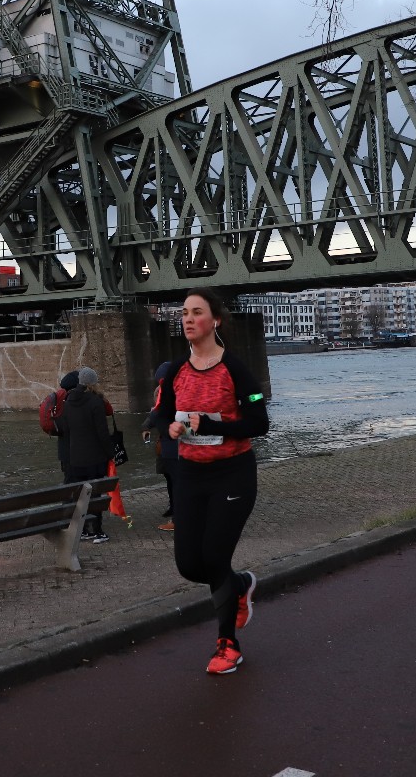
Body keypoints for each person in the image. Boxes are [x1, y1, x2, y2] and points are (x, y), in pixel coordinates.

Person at [150, 288, 269, 674]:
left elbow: (259, 423)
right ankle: (240, 585)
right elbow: (162, 413)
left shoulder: (235, 369)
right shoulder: (175, 371)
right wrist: (169, 427)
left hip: (232, 475)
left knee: (215, 557)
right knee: (189, 564)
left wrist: (213, 425)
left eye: (196, 312)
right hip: (190, 475)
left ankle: (227, 644)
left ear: (215, 320)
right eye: (184, 312)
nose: (188, 318)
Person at [58, 367, 113, 543]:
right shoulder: (96, 402)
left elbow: (66, 430)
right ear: (93, 383)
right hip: (95, 458)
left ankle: (81, 531)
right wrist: (110, 453)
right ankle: (97, 531)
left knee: (79, 496)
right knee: (95, 495)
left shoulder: (68, 402)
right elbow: (102, 433)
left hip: (75, 459)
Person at [142, 360, 179, 532]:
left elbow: (157, 414)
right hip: (176, 443)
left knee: (177, 482)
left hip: (173, 444)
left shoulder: (170, 392)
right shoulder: (181, 388)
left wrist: (147, 425)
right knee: (174, 480)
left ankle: (178, 519)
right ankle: (176, 510)